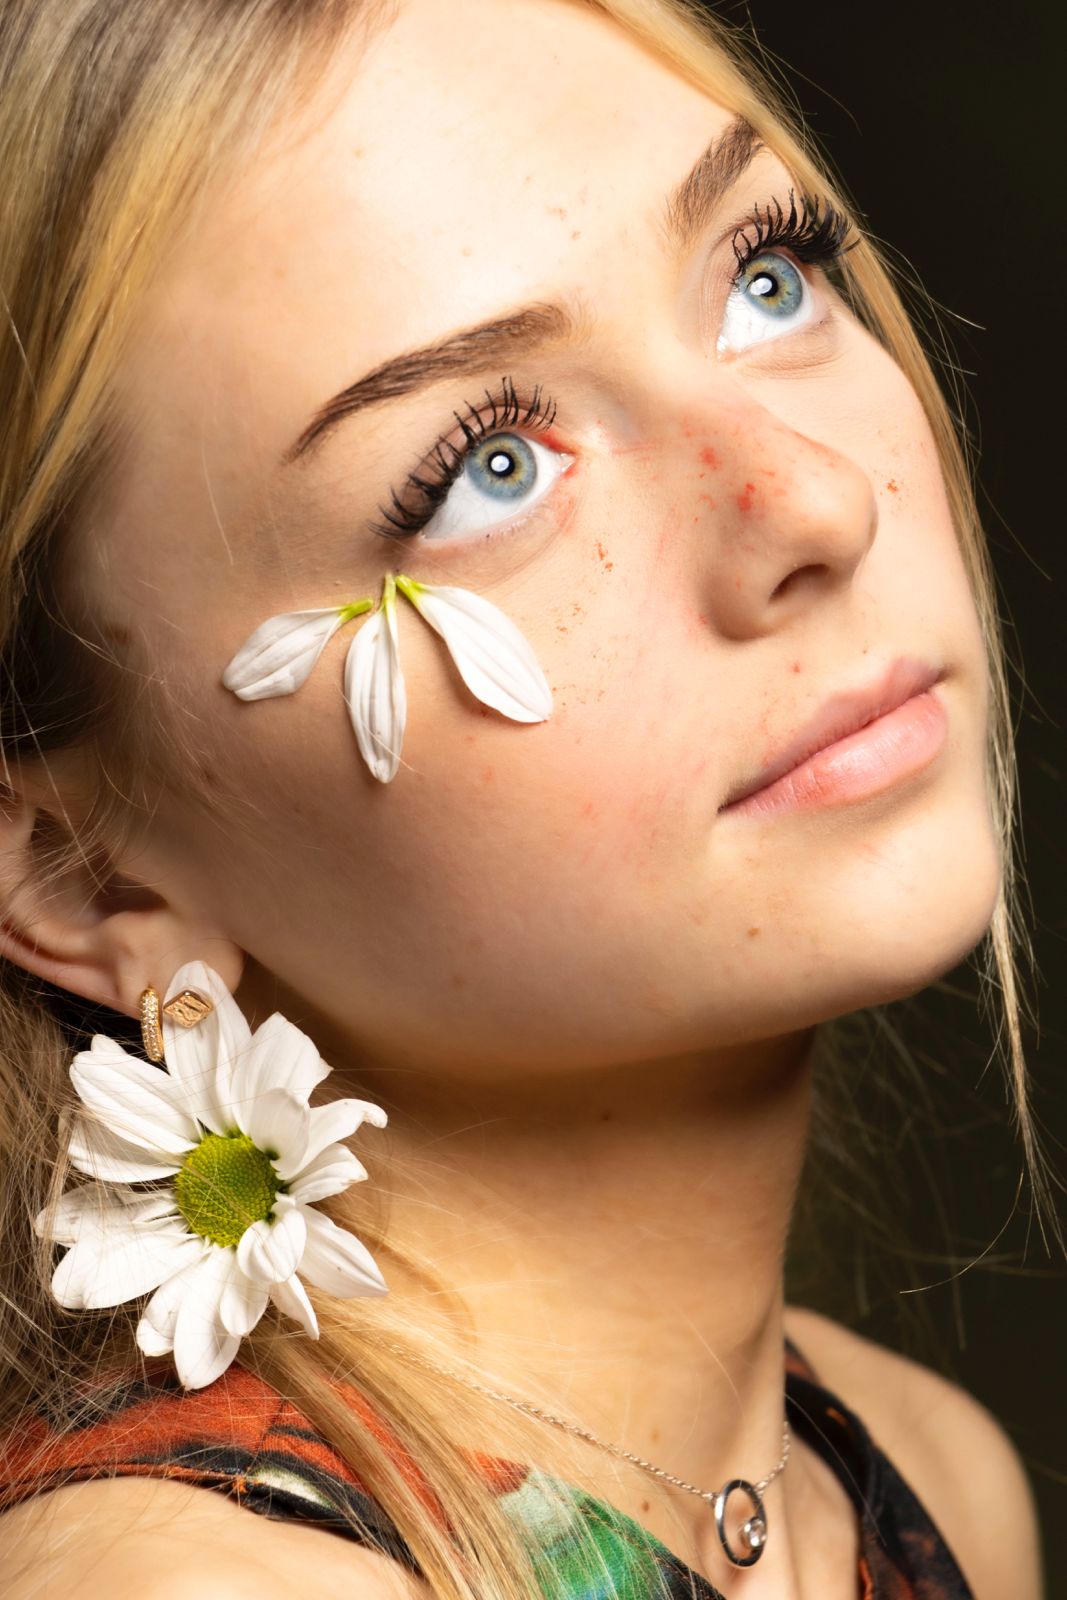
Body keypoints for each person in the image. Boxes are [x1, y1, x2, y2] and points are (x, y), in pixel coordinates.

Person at [0, 1, 1054, 1597]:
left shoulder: (922, 1478)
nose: (814, 502)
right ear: (88, 878)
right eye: (484, 469)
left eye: (767, 276)